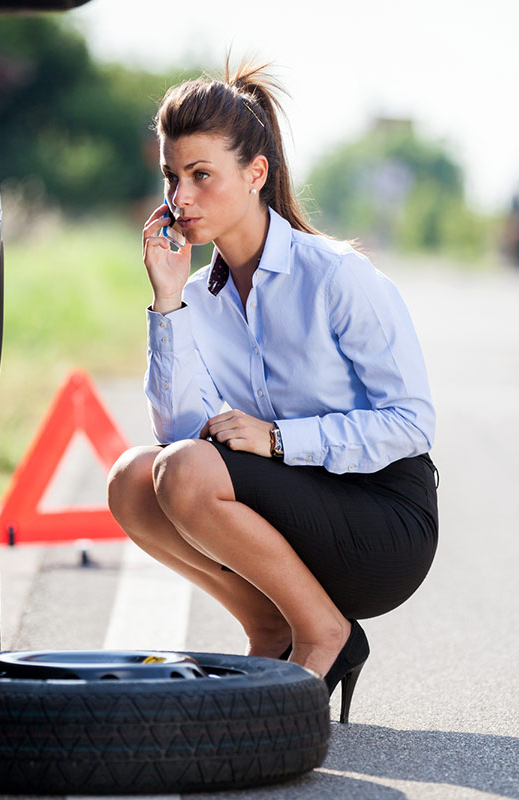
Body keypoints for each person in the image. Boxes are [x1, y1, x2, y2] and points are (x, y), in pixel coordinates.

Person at [107, 62, 439, 724]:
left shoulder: (338, 276)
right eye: (173, 177)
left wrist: (280, 438)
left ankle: (326, 634)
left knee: (184, 472)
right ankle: (272, 631)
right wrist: (168, 299)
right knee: (134, 480)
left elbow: (411, 423)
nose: (181, 196)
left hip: (383, 518)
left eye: (202, 175)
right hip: (296, 504)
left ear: (256, 174)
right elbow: (179, 437)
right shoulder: (201, 298)